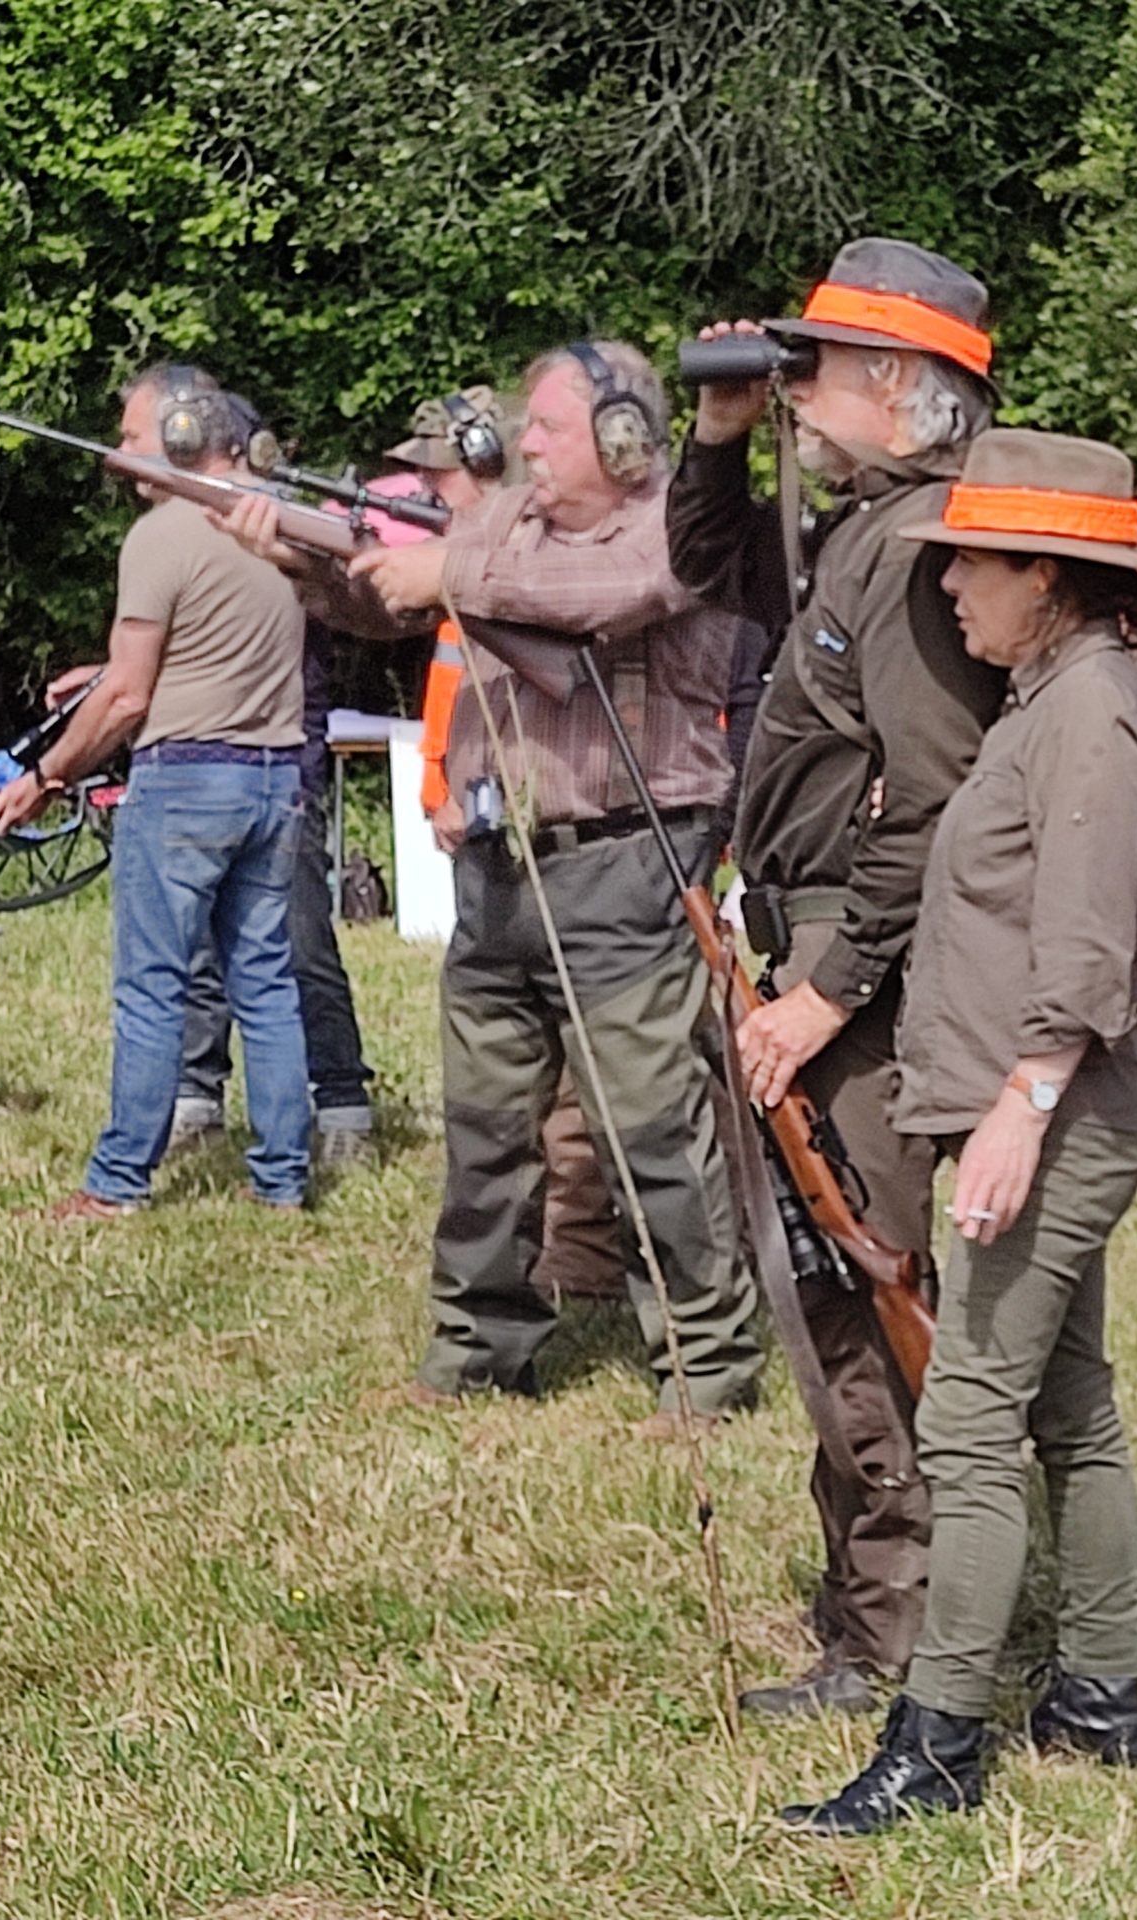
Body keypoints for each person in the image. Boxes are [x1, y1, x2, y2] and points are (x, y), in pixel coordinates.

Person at [236, 342, 764, 1425]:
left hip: (624, 858)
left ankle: (707, 1367)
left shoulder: (677, 526)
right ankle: (477, 1351)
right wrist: (304, 562)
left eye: (549, 428)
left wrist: (448, 573)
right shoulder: (500, 531)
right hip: (497, 869)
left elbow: (616, 591)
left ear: (624, 440)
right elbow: (387, 607)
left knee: (654, 1132)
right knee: (485, 1133)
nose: (522, 442)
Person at [782, 429, 1137, 1836]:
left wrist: (1020, 1106)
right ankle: (1101, 1695)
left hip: (1050, 1118)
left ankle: (938, 1742)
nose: (947, 584)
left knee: (969, 1423)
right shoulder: (1056, 696)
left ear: (1048, 576)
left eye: (972, 560)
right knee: (1073, 1409)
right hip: (1040, 1111)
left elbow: (1081, 946)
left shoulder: (1089, 715)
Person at [668, 237, 1007, 1719]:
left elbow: (930, 803)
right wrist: (722, 445)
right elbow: (701, 573)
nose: (793, 388)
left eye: (816, 369)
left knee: (860, 1285)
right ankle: (877, 1609)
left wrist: (826, 989)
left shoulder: (922, 546)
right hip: (806, 934)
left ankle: (899, 1638)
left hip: (862, 978)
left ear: (896, 386)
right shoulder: (863, 525)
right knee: (828, 1279)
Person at [0, 365, 312, 1219]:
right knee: (266, 983)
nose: (119, 454)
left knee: (153, 986)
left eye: (130, 437)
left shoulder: (162, 536)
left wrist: (48, 774)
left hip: (186, 783)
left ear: (178, 436)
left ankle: (119, 1179)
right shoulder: (278, 530)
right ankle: (283, 1179)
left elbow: (129, 697)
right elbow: (203, 654)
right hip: (276, 777)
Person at [165, 612, 380, 1172]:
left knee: (303, 945)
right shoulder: (189, 564)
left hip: (284, 782)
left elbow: (296, 695)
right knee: (200, 948)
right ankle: (196, 1103)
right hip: (201, 780)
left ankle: (342, 1107)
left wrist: (297, 784)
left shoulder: (285, 573)